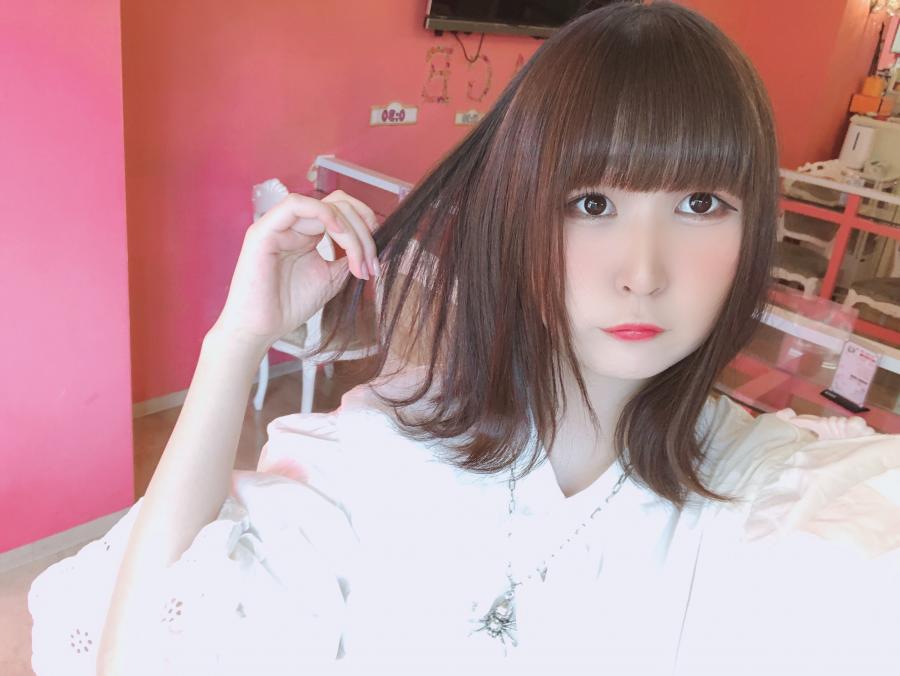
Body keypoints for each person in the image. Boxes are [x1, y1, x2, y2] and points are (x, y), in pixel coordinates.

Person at [28, 2, 900, 675]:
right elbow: (140, 656)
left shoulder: (767, 487)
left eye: (700, 204)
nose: (643, 271)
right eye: (591, 203)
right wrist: (236, 341)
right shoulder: (377, 461)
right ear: (517, 214)